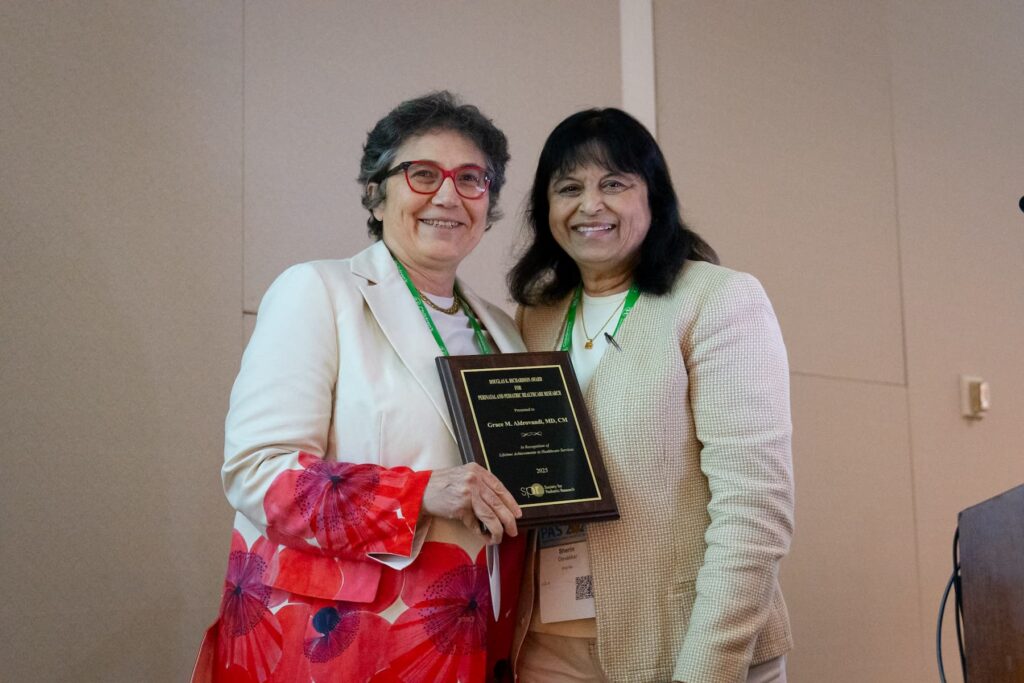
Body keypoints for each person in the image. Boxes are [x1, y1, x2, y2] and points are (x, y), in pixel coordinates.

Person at [192, 91, 527, 683]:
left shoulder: (502, 330)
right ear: (377, 191)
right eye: (423, 174)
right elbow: (256, 470)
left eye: (472, 179)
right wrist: (418, 492)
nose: (448, 195)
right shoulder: (317, 292)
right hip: (334, 641)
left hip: (468, 642)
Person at [507, 108, 794, 683]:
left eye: (614, 183)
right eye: (569, 188)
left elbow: (754, 509)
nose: (591, 205)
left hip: (685, 638)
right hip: (547, 645)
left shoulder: (717, 301)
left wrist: (710, 666)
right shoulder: (535, 317)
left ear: (653, 198)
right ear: (546, 210)